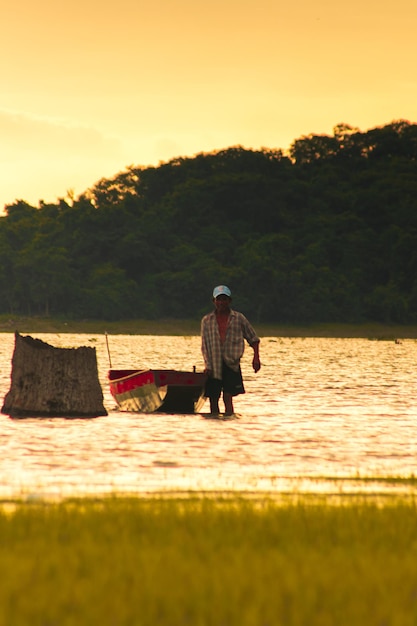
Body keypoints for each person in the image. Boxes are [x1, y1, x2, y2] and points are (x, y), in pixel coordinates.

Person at [201, 285, 261, 416]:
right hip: (214, 363)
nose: (221, 302)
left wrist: (256, 358)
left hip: (231, 362)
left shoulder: (239, 318)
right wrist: (208, 365)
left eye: (224, 299)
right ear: (214, 301)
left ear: (229, 301)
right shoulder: (207, 321)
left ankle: (229, 419)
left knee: (228, 397)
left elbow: (254, 339)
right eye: (219, 299)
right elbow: (205, 346)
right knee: (213, 398)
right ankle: (214, 421)